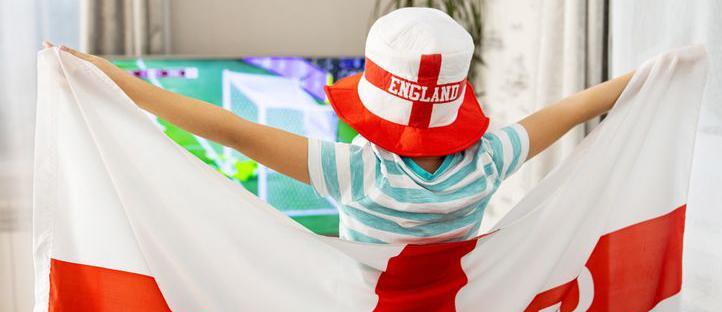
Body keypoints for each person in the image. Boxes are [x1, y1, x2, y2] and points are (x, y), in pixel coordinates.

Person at [43, 7, 633, 245]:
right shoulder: (488, 162)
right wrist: (640, 79)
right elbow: (564, 113)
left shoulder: (356, 171)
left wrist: (106, 73)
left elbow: (229, 129)